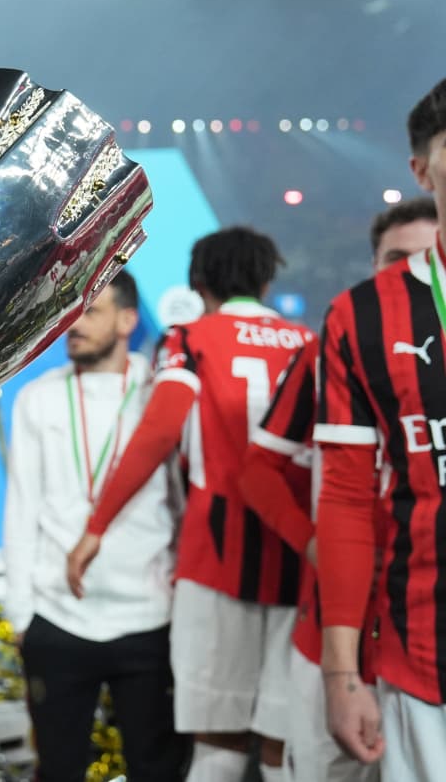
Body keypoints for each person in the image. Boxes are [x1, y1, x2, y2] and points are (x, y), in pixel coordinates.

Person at [67, 227, 314, 782]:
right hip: (299, 558)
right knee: (283, 746)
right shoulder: (307, 341)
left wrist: (97, 526)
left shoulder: (189, 338)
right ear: (266, 282)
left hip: (216, 558)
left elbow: (159, 430)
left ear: (198, 284)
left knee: (218, 741)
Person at [236, 195, 437, 782]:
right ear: (375, 266)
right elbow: (258, 471)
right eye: (396, 259)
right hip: (335, 627)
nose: (413, 273)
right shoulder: (330, 349)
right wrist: (315, 543)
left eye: (425, 257)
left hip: (422, 625)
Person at [3, 270, 188, 782]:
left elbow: (180, 504)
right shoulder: (37, 396)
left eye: (92, 310)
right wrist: (21, 616)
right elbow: (22, 509)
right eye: (73, 309)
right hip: (58, 620)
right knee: (58, 771)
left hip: (149, 618)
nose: (75, 323)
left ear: (128, 320)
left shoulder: (160, 394)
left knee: (157, 771)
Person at [315, 77, 446, 778]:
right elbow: (344, 500)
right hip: (424, 664)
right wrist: (341, 673)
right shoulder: (361, 315)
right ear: (422, 171)